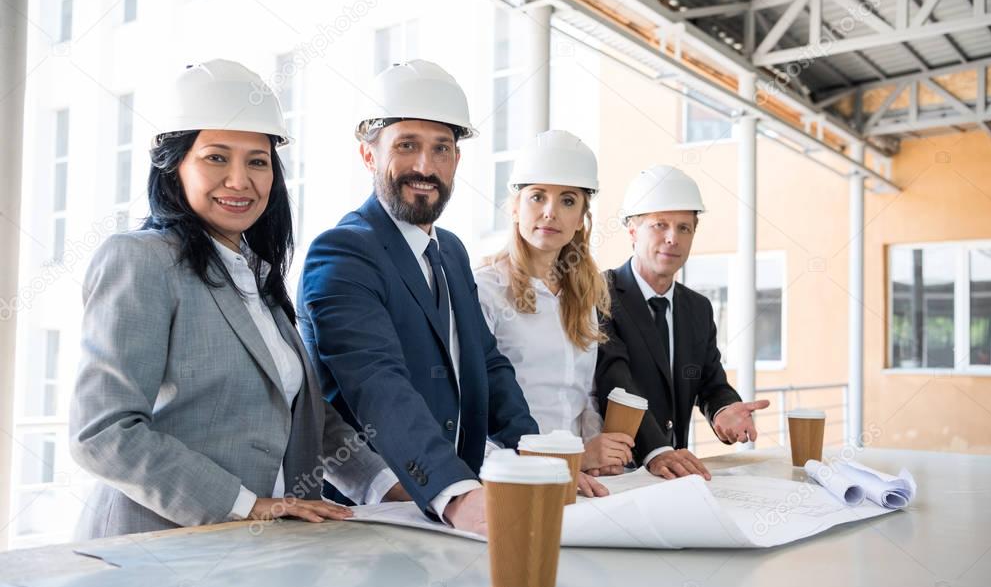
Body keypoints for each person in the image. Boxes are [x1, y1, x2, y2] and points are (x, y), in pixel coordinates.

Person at [69, 60, 397, 540]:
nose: (240, 180)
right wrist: (247, 505)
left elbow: (307, 417)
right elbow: (103, 432)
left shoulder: (256, 272)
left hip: (253, 553)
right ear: (174, 166)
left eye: (257, 161)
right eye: (216, 157)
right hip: (155, 548)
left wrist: (391, 489)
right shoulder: (140, 261)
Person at [299, 60, 540, 535]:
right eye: (406, 146)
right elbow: (377, 383)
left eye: (441, 149)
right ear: (369, 156)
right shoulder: (344, 251)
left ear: (456, 160)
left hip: (450, 506)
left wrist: (540, 457)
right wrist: (453, 492)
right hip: (371, 516)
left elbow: (487, 365)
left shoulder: (448, 249)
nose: (425, 167)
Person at [595, 165, 770, 480]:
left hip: (675, 473)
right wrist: (657, 451)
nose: (672, 238)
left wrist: (723, 409)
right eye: (659, 225)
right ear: (632, 231)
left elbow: (710, 382)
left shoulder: (697, 308)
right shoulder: (600, 294)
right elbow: (616, 381)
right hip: (617, 474)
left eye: (684, 228)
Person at [474, 130, 627, 487]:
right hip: (512, 480)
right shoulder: (484, 290)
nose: (550, 212)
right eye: (537, 197)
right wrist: (554, 463)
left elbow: (583, 394)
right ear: (514, 206)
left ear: (581, 218)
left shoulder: (585, 295)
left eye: (568, 201)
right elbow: (471, 408)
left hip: (577, 478)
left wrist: (594, 453)